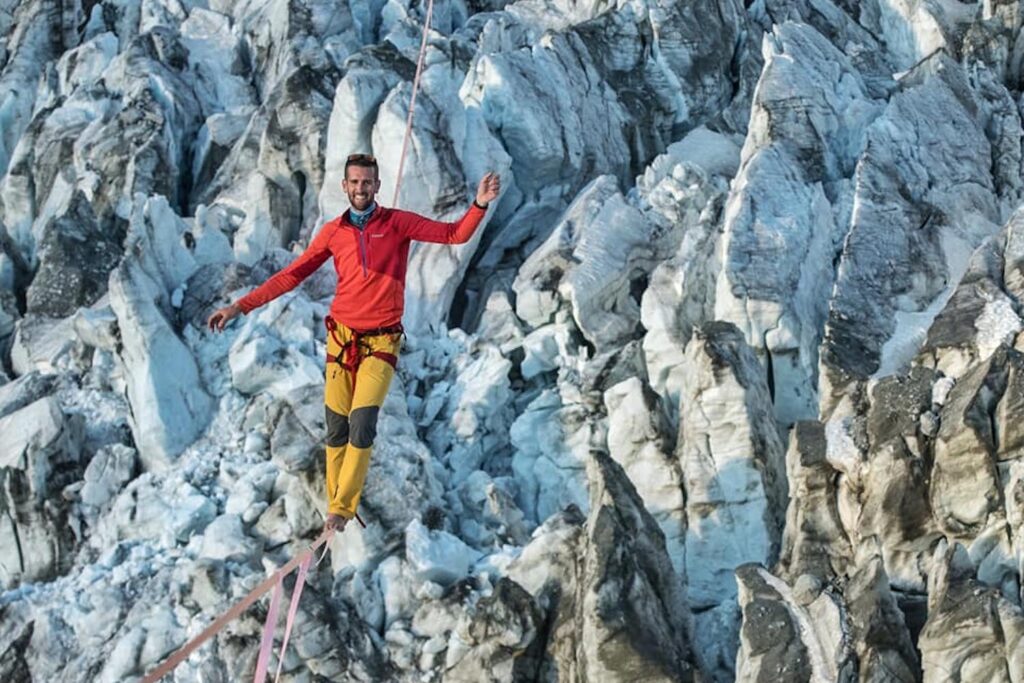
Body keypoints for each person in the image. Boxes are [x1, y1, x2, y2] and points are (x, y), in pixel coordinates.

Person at [208, 154, 501, 532]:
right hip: (341, 339)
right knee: (336, 428)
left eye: (367, 182)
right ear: (344, 186)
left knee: (362, 423)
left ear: (376, 186)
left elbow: (452, 235)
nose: (361, 188)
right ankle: (336, 502)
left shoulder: (397, 223)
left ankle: (341, 509)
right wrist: (239, 306)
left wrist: (479, 204)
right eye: (354, 182)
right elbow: (290, 276)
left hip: (381, 342)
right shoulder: (333, 232)